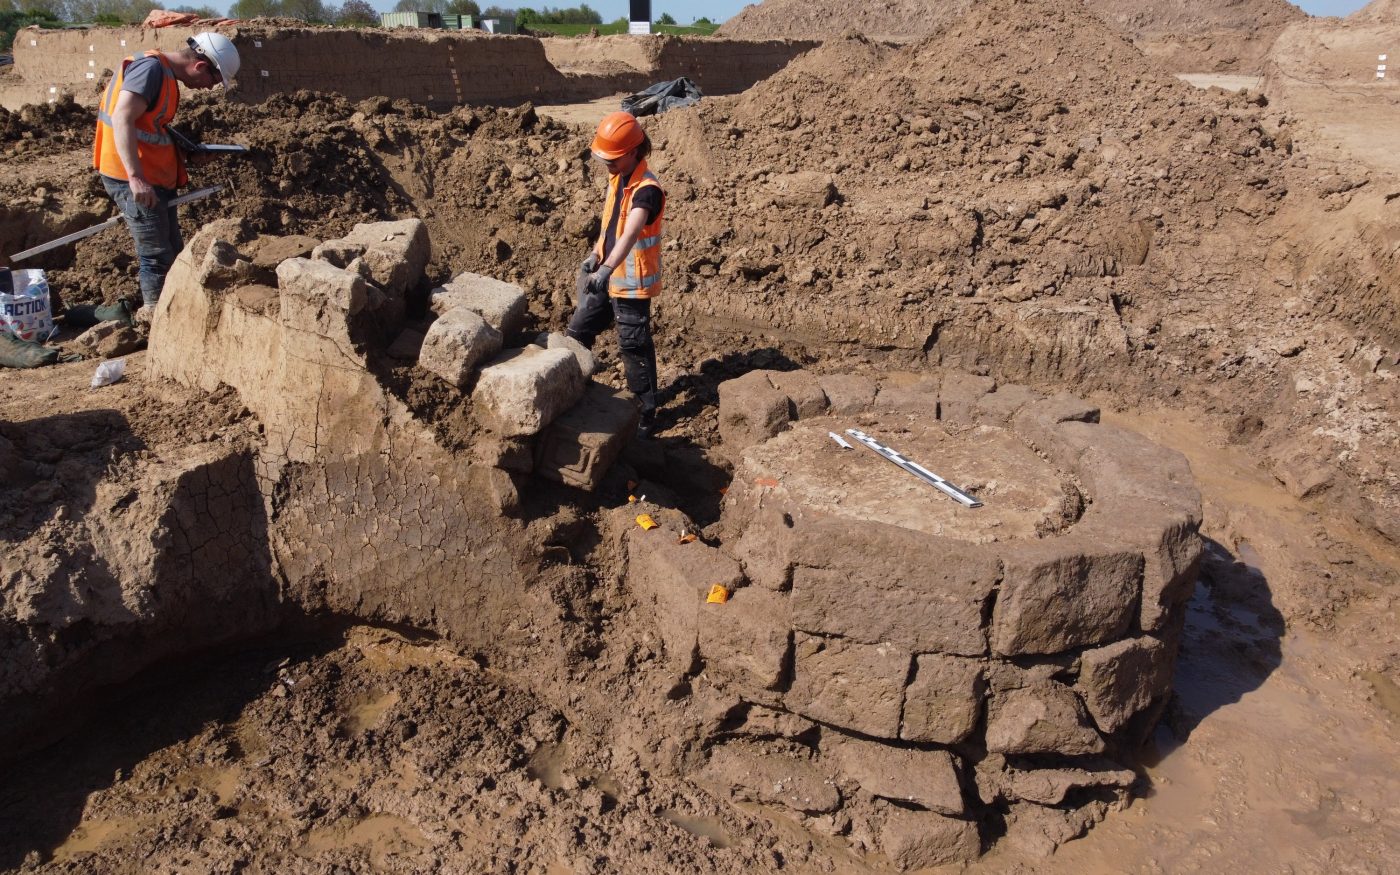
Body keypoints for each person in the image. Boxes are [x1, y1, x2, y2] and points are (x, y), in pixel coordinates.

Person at [92, 32, 240, 308]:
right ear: (200, 66)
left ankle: (171, 313)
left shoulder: (163, 74)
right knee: (157, 256)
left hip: (150, 175)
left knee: (171, 251)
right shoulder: (151, 69)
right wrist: (136, 178)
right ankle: (156, 318)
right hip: (131, 176)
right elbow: (122, 117)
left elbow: (148, 128)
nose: (209, 88)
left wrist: (186, 154)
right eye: (213, 81)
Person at [567, 111, 666, 439]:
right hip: (605, 275)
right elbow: (610, 226)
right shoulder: (617, 178)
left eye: (612, 158)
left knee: (633, 347)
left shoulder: (647, 190)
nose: (607, 164)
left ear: (633, 152)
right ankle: (573, 391)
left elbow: (630, 233)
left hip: (631, 284)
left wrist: (607, 268)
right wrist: (596, 255)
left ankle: (645, 413)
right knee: (577, 332)